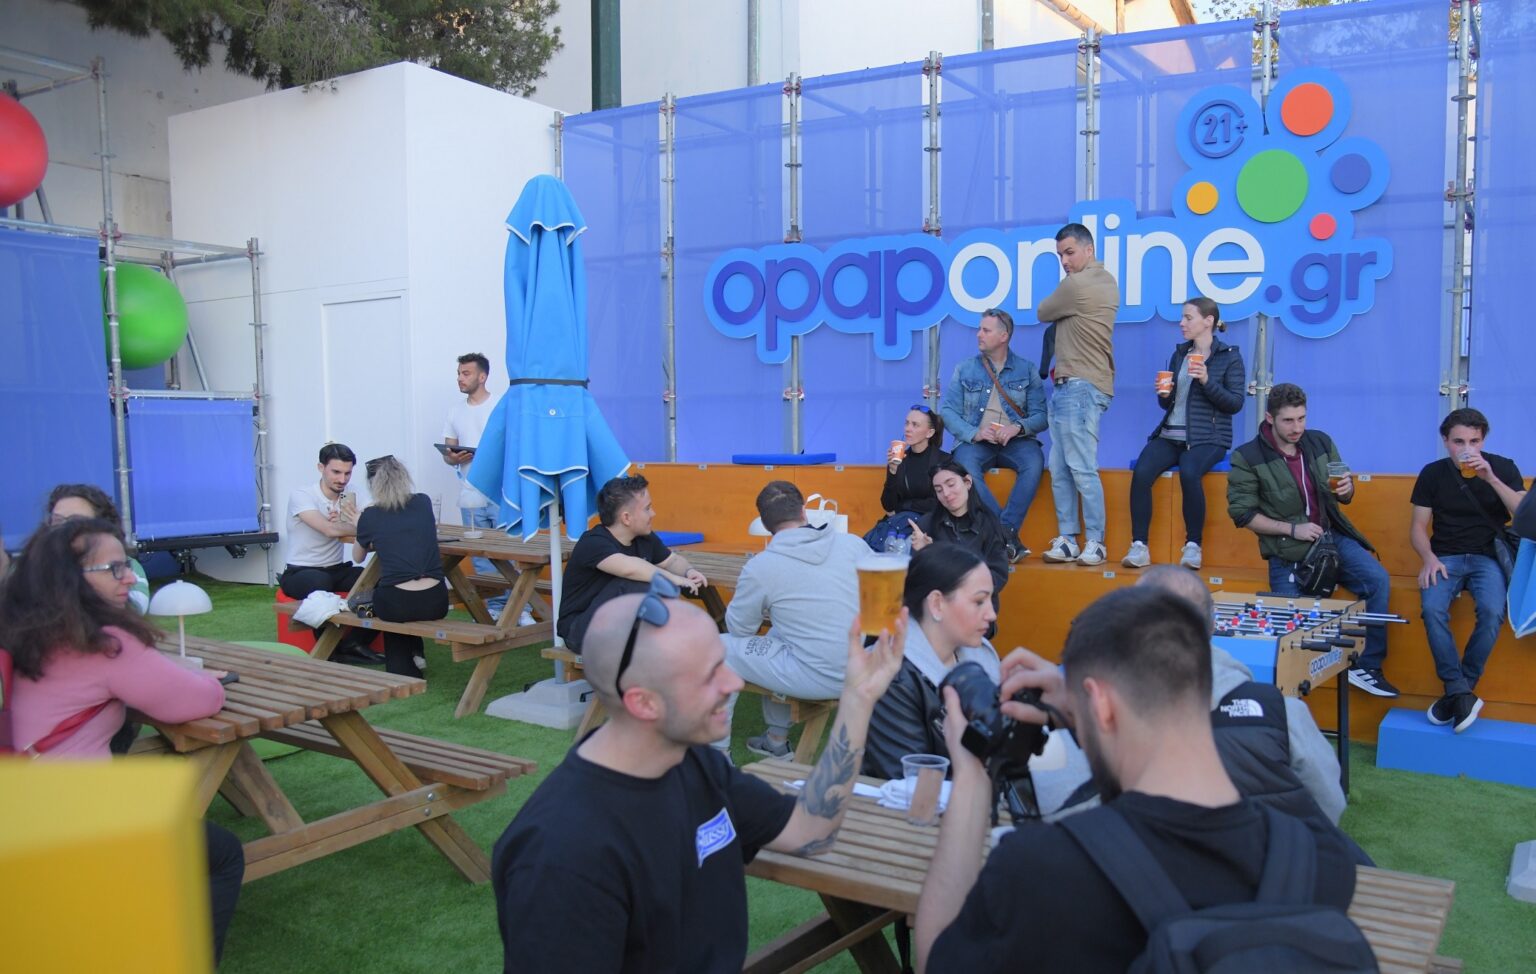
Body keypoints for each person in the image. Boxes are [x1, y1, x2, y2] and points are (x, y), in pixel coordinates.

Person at [914, 586, 1359, 973]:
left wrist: (971, 777)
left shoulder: (1043, 868)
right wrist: (1091, 706)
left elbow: (937, 961)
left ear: (1101, 705)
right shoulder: (1319, 860)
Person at [492, 580, 907, 972]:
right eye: (710, 674)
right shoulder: (562, 856)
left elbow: (809, 829)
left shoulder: (693, 764)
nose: (735, 682)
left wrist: (858, 699)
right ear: (644, 703)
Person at [0, 519, 244, 963]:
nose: (131, 577)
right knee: (223, 855)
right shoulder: (104, 642)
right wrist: (203, 677)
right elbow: (197, 699)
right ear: (71, 578)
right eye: (115, 568)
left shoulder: (26, 631)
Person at [1135, 567, 1350, 832]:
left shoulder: (1101, 714)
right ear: (1212, 624)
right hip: (1270, 853)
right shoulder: (1284, 712)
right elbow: (1329, 804)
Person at [1227, 383, 1397, 697]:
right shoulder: (1247, 456)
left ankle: (1366, 666)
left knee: (1377, 580)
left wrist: (1347, 489)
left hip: (1330, 538)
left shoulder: (1320, 441)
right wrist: (1292, 529)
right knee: (1289, 641)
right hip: (1287, 551)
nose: (1297, 428)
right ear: (1269, 418)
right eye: (1288, 421)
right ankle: (1287, 709)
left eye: (1302, 418)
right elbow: (1242, 514)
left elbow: (1342, 490)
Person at [722, 481, 871, 758]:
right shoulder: (854, 544)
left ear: (764, 525)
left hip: (819, 675)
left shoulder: (760, 567)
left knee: (721, 648)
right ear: (804, 511)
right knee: (777, 634)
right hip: (863, 665)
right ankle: (775, 741)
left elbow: (739, 629)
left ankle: (717, 756)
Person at [1410, 408, 1527, 733]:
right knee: (1432, 609)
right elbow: (1418, 527)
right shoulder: (1433, 473)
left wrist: (1491, 478)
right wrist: (1428, 558)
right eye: (1459, 441)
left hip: (1487, 557)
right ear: (1445, 441)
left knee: (1492, 611)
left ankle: (1459, 691)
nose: (1467, 449)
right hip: (1444, 557)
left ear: (1483, 440)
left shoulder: (1502, 467)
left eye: (1474, 441)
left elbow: (1523, 514)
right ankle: (1459, 691)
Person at [1122, 298, 1246, 571]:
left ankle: (1193, 546)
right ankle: (1139, 545)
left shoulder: (1230, 357)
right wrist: (1164, 394)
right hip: (1170, 434)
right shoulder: (1179, 354)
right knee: (1142, 472)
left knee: (1190, 472)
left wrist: (1207, 380)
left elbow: (1235, 403)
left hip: (1209, 437)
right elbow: (1170, 404)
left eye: (1188, 318)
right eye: (1182, 318)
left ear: (1208, 321)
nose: (1182, 323)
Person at [863, 542, 998, 780]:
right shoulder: (892, 680)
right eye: (979, 601)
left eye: (990, 600)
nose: (992, 614)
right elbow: (913, 781)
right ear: (936, 604)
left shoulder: (980, 657)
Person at [1038, 223, 1120, 568]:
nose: (1064, 261)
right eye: (1060, 255)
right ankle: (1069, 539)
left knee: (1081, 468)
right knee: (1060, 468)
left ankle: (1096, 542)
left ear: (1089, 250)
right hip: (1069, 386)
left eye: (1069, 252)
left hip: (1081, 387)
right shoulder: (1105, 281)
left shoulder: (1078, 284)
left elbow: (1043, 311)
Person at [940, 309, 1046, 562]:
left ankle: (1003, 531)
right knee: (965, 468)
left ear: (1003, 336)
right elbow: (947, 412)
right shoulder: (965, 368)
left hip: (1016, 441)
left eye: (985, 330)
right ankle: (1007, 536)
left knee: (1034, 463)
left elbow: (1042, 416)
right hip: (977, 441)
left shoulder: (1027, 369)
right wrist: (975, 433)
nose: (979, 334)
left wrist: (1017, 428)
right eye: (979, 329)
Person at [557, 474, 706, 651]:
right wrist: (675, 580)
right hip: (581, 631)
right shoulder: (593, 543)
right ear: (626, 518)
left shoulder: (644, 537)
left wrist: (688, 572)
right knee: (635, 584)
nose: (653, 513)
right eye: (647, 509)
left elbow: (671, 561)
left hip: (619, 629)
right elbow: (630, 569)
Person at [279, 442, 378, 664]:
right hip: (299, 571)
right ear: (320, 468)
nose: (342, 479)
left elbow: (377, 521)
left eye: (347, 473)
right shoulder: (302, 495)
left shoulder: (353, 493)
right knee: (319, 582)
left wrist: (352, 524)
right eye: (336, 472)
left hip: (336, 569)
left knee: (382, 579)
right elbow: (328, 530)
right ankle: (330, 651)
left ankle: (355, 643)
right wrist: (357, 524)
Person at [352, 456, 449, 679]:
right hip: (437, 601)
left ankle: (404, 665)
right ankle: (416, 653)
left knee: (385, 598)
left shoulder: (370, 515)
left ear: (373, 485)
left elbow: (357, 557)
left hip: (396, 605)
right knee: (394, 598)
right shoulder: (423, 502)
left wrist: (361, 524)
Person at [442, 352, 510, 620]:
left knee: (508, 552)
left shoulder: (501, 405)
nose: (460, 378)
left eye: (466, 373)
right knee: (480, 556)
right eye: (459, 373)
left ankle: (519, 610)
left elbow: (515, 445)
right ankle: (494, 609)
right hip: (470, 492)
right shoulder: (454, 411)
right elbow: (448, 454)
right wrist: (453, 457)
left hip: (502, 492)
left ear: (482, 377)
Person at [908, 461, 1010, 614]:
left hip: (976, 609)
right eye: (939, 490)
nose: (946, 494)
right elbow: (917, 581)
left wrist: (961, 591)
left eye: (951, 484)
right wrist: (925, 553)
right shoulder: (927, 525)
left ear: (967, 482)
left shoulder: (989, 524)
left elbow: (997, 576)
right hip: (941, 611)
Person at [45, 483, 151, 611]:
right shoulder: (34, 569)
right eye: (57, 521)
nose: (64, 528)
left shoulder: (126, 567)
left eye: (76, 521)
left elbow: (134, 609)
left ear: (104, 526)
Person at [865, 404, 950, 552]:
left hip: (929, 526)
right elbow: (888, 505)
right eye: (907, 423)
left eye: (915, 425)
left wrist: (902, 506)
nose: (908, 429)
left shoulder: (943, 461)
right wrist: (892, 471)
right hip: (900, 525)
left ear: (929, 433)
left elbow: (937, 503)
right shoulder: (900, 459)